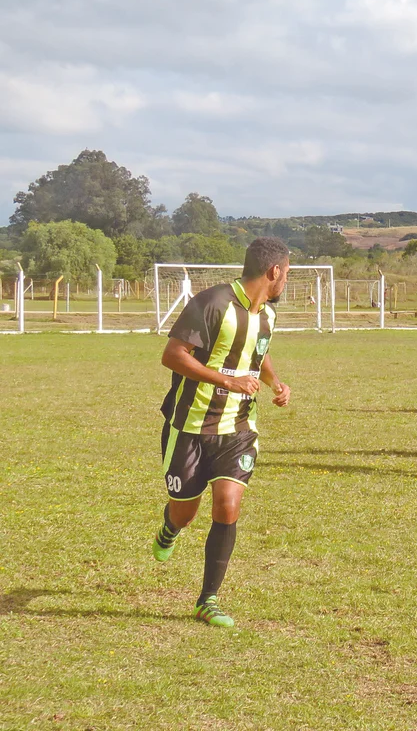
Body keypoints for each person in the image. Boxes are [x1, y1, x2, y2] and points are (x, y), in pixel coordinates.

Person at [151, 237, 292, 628]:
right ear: (274, 271)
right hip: (191, 425)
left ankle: (207, 599)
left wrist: (276, 382)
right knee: (185, 510)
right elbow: (173, 355)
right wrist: (224, 381)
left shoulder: (267, 314)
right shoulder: (211, 303)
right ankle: (169, 527)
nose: (286, 281)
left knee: (228, 504)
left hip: (238, 427)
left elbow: (256, 353)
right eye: (287, 273)